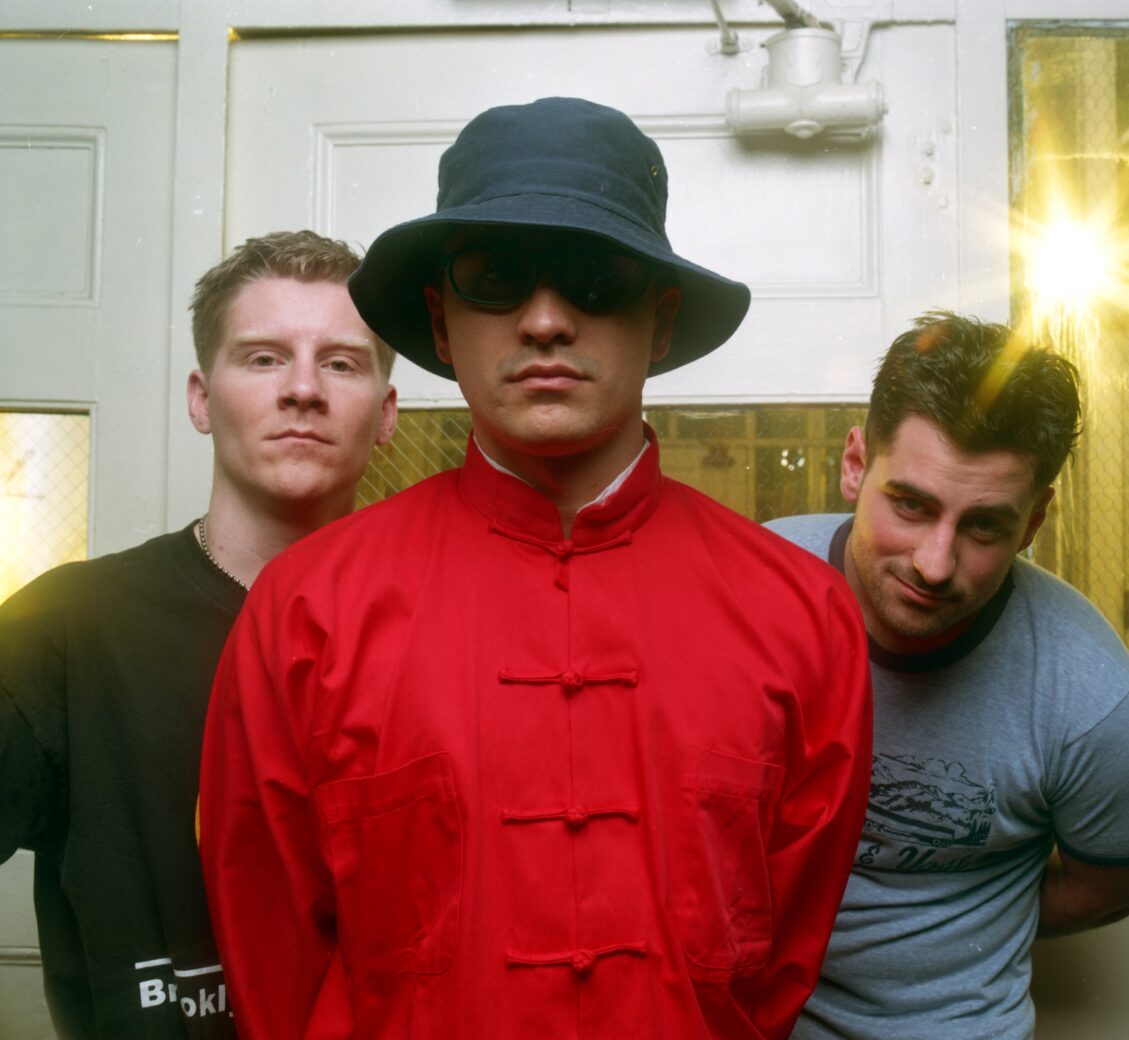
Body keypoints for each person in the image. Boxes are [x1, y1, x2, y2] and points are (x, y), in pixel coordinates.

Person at [198, 96, 873, 1040]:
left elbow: (778, 963)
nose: (547, 321)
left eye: (597, 279)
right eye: (495, 278)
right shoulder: (307, 610)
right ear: (439, 324)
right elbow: (275, 959)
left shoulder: (800, 615)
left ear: (661, 321)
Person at [0, 230, 398, 1039]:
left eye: (341, 363)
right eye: (263, 358)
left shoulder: (438, 627)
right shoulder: (65, 627)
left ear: (386, 412)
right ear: (200, 398)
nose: (302, 389)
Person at [766, 311, 1129, 1040]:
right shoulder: (749, 597)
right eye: (911, 504)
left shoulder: (1089, 692)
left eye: (984, 525)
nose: (934, 564)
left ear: (1033, 522)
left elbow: (1113, 887)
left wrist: (969, 930)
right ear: (855, 465)